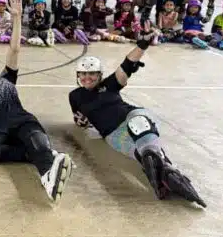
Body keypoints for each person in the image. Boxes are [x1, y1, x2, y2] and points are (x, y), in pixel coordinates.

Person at [69, 28, 206, 207]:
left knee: (140, 126)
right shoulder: (75, 96)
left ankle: (161, 169)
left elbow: (127, 64)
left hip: (130, 116)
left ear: (99, 75)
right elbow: (79, 119)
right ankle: (167, 172)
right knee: (140, 152)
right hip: (112, 133)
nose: (88, 78)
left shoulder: (109, 84)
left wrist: (142, 45)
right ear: (78, 76)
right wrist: (82, 122)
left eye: (92, 74)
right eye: (83, 74)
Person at [0, 0, 73, 202]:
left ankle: (47, 178)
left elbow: (15, 49)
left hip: (22, 122)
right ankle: (35, 155)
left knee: (37, 140)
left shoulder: (6, 80)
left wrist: (16, 18)